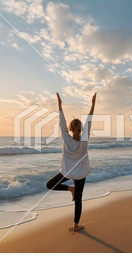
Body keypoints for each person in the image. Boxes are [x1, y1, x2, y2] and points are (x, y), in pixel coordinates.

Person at [46, 92, 96, 232]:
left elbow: (61, 122)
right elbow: (89, 121)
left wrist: (60, 106)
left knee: (50, 185)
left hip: (67, 172)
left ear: (69, 129)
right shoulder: (84, 139)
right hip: (80, 174)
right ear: (81, 130)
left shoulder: (66, 138)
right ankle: (76, 225)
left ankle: (70, 189)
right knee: (78, 200)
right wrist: (92, 105)